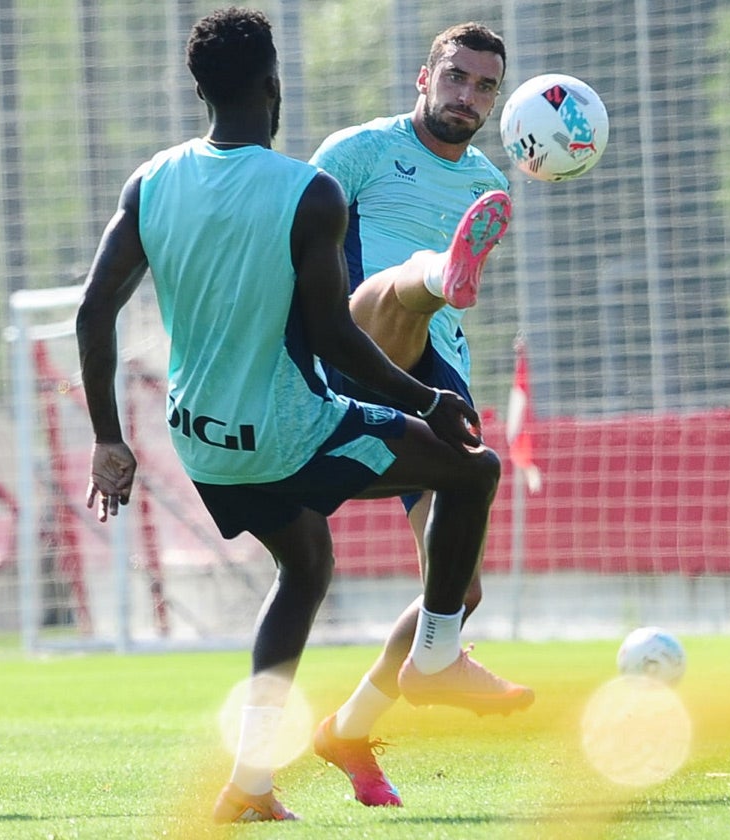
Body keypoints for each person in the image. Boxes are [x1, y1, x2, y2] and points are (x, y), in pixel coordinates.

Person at [76, 8, 527, 824]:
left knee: (306, 568)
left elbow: (91, 313)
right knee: (477, 470)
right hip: (290, 426)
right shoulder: (312, 188)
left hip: (201, 441)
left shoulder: (151, 181)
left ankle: (249, 783)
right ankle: (433, 657)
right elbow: (331, 337)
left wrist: (108, 438)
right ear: (273, 86)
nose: (468, 93)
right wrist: (428, 401)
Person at [307, 22, 532, 810]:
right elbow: (294, 242)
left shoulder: (483, 183)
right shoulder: (359, 150)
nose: (467, 97)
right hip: (356, 346)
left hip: (438, 379)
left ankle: (356, 721)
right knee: (408, 282)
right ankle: (435, 272)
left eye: (483, 88)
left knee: (456, 592)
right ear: (423, 76)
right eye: (457, 78)